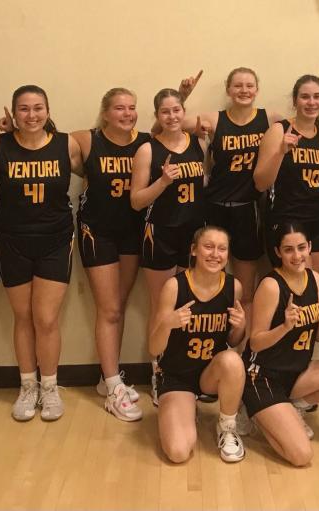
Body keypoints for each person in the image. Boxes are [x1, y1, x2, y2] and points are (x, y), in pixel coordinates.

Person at [0, 85, 83, 422]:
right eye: (23, 109)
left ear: (48, 110)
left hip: (55, 240)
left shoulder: (66, 144)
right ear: (13, 113)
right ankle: (28, 385)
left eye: (38, 108)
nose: (32, 115)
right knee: (23, 317)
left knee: (46, 318)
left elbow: (98, 169)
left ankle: (50, 386)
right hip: (12, 239)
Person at [241, 223, 319, 467]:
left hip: (296, 373)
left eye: (301, 248)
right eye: (288, 250)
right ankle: (254, 411)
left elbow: (317, 337)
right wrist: (284, 327)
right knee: (301, 456)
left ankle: (291, 407)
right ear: (278, 252)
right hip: (262, 377)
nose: (296, 256)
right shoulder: (271, 285)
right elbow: (254, 343)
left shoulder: (315, 279)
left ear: (309, 247)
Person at [71, 88, 149, 422]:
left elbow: (177, 131)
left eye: (132, 107)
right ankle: (114, 385)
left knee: (119, 305)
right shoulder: (86, 140)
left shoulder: (145, 140)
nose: (127, 113)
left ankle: (109, 377)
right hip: (96, 231)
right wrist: (12, 128)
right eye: (119, 108)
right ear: (105, 112)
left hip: (132, 230)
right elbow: (41, 140)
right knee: (110, 309)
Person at [187, 67, 283, 332]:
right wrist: (183, 97)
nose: (244, 90)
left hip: (248, 208)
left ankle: (244, 348)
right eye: (238, 86)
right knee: (209, 282)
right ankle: (212, 341)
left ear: (257, 89)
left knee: (246, 289)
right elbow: (167, 124)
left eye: (249, 85)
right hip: (214, 207)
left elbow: (311, 131)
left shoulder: (269, 119)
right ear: (228, 90)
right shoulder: (216, 119)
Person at [130, 88, 208, 405]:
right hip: (159, 233)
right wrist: (162, 182)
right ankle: (158, 372)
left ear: (183, 111)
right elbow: (136, 202)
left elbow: (203, 186)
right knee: (162, 306)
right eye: (165, 112)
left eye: (177, 110)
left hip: (192, 235)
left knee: (191, 306)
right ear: (157, 116)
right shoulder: (148, 150)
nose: (172, 116)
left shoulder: (198, 144)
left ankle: (187, 372)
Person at [150, 226, 247, 463]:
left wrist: (240, 326)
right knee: (178, 452)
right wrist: (167, 324)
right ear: (194, 250)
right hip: (176, 376)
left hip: (209, 374)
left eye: (222, 249)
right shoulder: (175, 286)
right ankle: (184, 410)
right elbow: (153, 348)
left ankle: (227, 427)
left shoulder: (234, 286)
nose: (215, 254)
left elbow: (234, 341)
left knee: (232, 360)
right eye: (208, 246)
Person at [255, 75, 319, 275]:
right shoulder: (279, 130)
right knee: (293, 287)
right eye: (305, 97)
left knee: (313, 286)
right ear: (294, 101)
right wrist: (281, 151)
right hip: (286, 219)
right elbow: (260, 183)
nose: (312, 102)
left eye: (317, 96)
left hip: (318, 220)